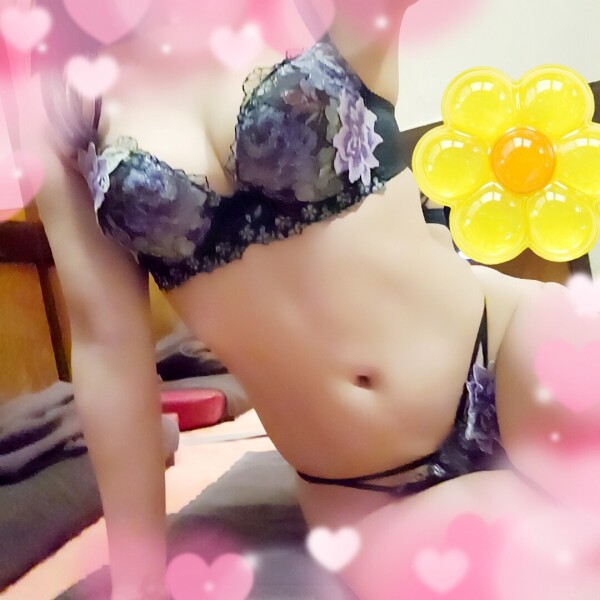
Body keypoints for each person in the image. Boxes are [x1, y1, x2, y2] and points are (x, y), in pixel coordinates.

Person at [19, 0, 600, 598]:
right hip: (373, 487)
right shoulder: (56, 97)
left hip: (508, 348)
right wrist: (137, 581)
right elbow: (107, 344)